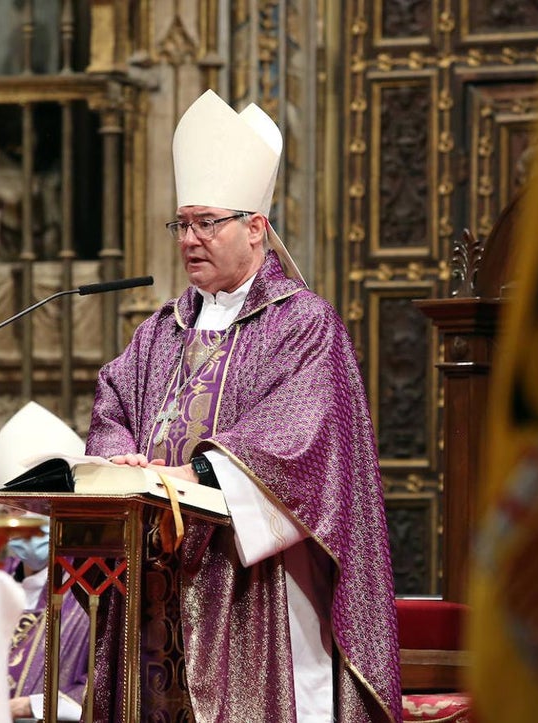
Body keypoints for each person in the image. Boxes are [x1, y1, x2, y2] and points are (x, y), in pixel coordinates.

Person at [85, 89, 401, 722]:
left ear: (256, 227)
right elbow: (113, 401)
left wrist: (193, 475)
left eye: (208, 222)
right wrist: (118, 459)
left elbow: (302, 438)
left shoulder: (305, 325)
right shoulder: (159, 330)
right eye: (183, 224)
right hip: (157, 576)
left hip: (255, 589)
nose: (191, 239)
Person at [0, 402, 91, 721]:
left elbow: (109, 678)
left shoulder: (92, 588)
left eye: (24, 511)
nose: (15, 525)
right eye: (8, 512)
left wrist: (30, 706)